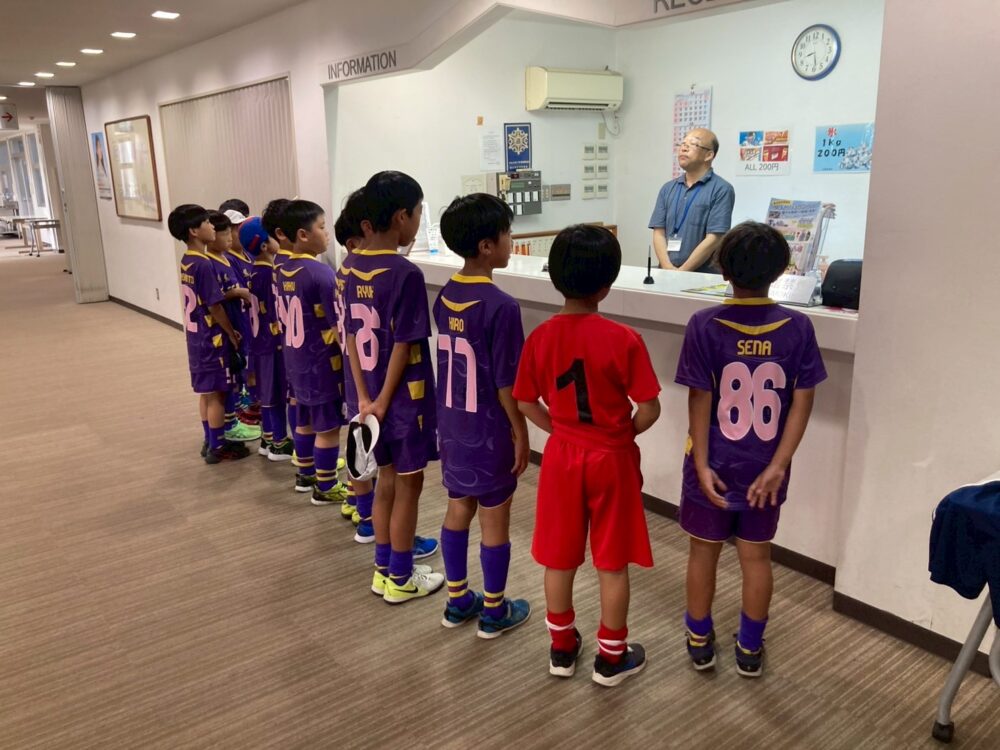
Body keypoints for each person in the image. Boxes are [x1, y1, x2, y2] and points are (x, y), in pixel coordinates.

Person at [674, 221, 826, 678]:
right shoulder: (799, 326)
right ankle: (750, 649)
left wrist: (701, 465)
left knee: (703, 553)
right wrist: (779, 465)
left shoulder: (704, 324)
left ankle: (699, 641)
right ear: (781, 271)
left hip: (713, 464)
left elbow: (699, 398)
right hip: (765, 469)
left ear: (722, 269)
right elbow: (803, 400)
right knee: (757, 557)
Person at [513, 224, 661, 686]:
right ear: (607, 284)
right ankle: (611, 657)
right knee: (611, 561)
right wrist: (619, 433)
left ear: (555, 278)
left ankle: (561, 648)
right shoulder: (624, 338)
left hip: (562, 456)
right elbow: (650, 409)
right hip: (611, 458)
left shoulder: (540, 337)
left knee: (559, 557)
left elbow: (524, 402)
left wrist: (561, 431)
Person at [435, 193, 531, 638]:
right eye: (508, 233)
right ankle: (494, 610)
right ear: (487, 246)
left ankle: (457, 601)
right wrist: (520, 431)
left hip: (453, 424)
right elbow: (507, 384)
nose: (512, 240)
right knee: (494, 516)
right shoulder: (502, 306)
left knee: (458, 506)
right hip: (489, 429)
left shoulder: (445, 296)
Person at [344, 171, 443, 604]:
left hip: (368, 395)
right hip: (403, 400)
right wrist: (384, 400)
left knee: (386, 478)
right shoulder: (405, 272)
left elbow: (350, 336)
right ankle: (401, 576)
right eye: (418, 212)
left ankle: (383, 568)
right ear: (402, 216)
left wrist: (365, 398)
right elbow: (404, 343)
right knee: (409, 485)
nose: (418, 221)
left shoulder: (352, 267)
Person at [274, 200, 350, 507]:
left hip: (295, 358)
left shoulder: (283, 269)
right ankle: (326, 485)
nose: (327, 233)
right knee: (328, 427)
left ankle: (305, 474)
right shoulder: (320, 273)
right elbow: (337, 325)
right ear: (303, 235)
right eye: (321, 227)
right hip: (321, 362)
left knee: (304, 419)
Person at [170, 203, 249, 464]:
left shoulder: (187, 260)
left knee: (206, 392)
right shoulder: (203, 264)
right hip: (211, 338)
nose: (212, 227)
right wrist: (231, 333)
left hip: (196, 338)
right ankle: (218, 445)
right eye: (206, 223)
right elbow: (215, 305)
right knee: (217, 394)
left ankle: (209, 438)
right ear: (194, 231)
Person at [263, 198, 313, 491]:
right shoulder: (295, 266)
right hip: (302, 346)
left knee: (296, 399)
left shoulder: (281, 263)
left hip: (290, 343)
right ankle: (309, 463)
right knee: (302, 404)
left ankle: (304, 457)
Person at [333, 188, 373, 531]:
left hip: (352, 362)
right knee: (362, 442)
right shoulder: (360, 272)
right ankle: (367, 515)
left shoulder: (343, 271)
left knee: (357, 436)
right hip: (363, 367)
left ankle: (354, 500)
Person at [239, 216, 294, 460]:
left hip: (258, 341)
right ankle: (279, 442)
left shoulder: (254, 271)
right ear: (264, 245)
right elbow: (275, 311)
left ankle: (268, 437)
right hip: (270, 343)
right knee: (275, 393)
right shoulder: (268, 273)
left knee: (266, 391)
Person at [206, 211, 261, 445]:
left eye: (233, 231)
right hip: (226, 328)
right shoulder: (211, 263)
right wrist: (237, 292)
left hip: (240, 322)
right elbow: (214, 299)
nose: (230, 237)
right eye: (225, 232)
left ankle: (233, 420)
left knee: (238, 372)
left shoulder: (228, 258)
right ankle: (228, 426)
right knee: (228, 379)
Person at [649, 128, 735, 273]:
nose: (684, 148)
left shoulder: (722, 189)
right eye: (682, 144)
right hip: (666, 273)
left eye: (693, 144)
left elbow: (714, 237)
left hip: (702, 276)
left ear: (708, 155)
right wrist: (667, 267)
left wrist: (682, 271)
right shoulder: (668, 188)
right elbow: (659, 232)